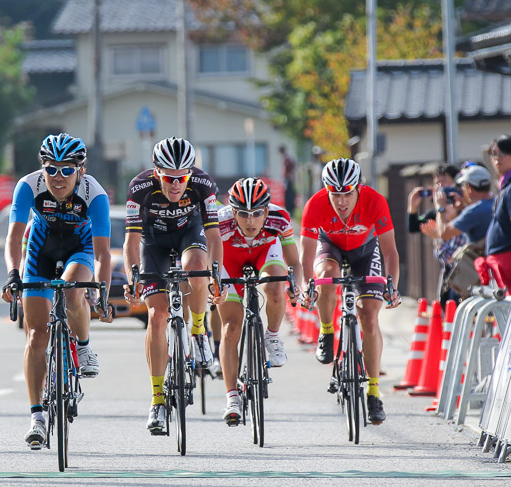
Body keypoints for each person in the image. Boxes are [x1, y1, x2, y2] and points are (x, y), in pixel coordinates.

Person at [1, 133, 112, 450]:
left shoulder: (95, 194)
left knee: (75, 291)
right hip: (40, 250)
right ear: (42, 169)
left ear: (81, 169)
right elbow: (14, 238)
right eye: (51, 169)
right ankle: (37, 417)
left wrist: (101, 292)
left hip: (80, 248)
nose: (59, 177)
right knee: (36, 334)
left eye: (67, 169)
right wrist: (12, 273)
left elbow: (103, 253)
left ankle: (84, 345)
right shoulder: (28, 186)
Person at [122, 136, 225, 435]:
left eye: (182, 178)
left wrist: (215, 274)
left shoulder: (204, 184)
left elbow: (214, 236)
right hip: (152, 242)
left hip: (188, 235)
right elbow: (130, 241)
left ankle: (198, 332)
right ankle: (157, 402)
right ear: (157, 173)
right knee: (157, 316)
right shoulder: (139, 187)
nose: (176, 185)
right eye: (169, 178)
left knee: (197, 266)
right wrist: (133, 276)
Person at [299, 158, 401, 425]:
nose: (341, 201)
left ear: (359, 189)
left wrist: (393, 285)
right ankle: (327, 330)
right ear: (326, 191)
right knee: (325, 276)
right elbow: (307, 255)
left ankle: (374, 391)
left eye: (347, 194)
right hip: (330, 247)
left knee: (369, 316)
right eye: (335, 194)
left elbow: (389, 250)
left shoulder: (376, 201)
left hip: (365, 252)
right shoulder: (315, 205)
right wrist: (306, 287)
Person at [216, 177, 302, 426]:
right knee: (232, 327)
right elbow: (211, 262)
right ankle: (232, 397)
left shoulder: (279, 218)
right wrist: (214, 287)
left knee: (276, 289)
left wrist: (297, 287)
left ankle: (272, 335)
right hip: (228, 261)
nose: (250, 220)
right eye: (243, 214)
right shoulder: (219, 222)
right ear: (233, 211)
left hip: (265, 255)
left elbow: (294, 262)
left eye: (256, 213)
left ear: (267, 210)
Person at [433, 165, 494, 247]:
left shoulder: (473, 212)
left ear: (469, 188)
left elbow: (444, 233)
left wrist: (440, 207)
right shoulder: (498, 201)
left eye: (463, 186)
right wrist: (464, 208)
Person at [481, 135, 511, 291]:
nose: (498, 158)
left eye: (504, 152)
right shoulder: (504, 186)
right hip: (501, 259)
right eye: (494, 153)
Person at [279, 145, 296, 216]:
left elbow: (291, 166)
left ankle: (290, 210)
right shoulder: (286, 158)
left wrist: (288, 174)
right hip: (287, 178)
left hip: (288, 179)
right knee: (287, 194)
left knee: (289, 195)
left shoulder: (287, 158)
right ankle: (289, 209)